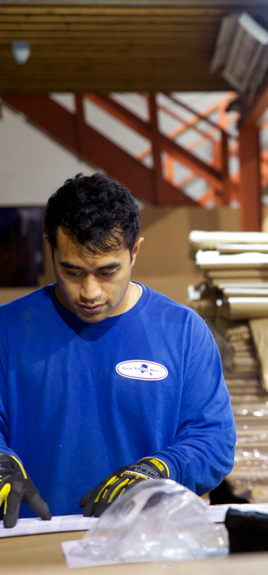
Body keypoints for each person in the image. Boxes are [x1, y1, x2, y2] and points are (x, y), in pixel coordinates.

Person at [0, 173, 236, 528]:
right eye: (72, 271)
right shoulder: (7, 330)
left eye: (108, 271)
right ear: (50, 249)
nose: (90, 292)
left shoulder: (182, 332)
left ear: (135, 251)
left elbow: (213, 439)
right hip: (30, 539)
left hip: (143, 541)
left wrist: (158, 469)